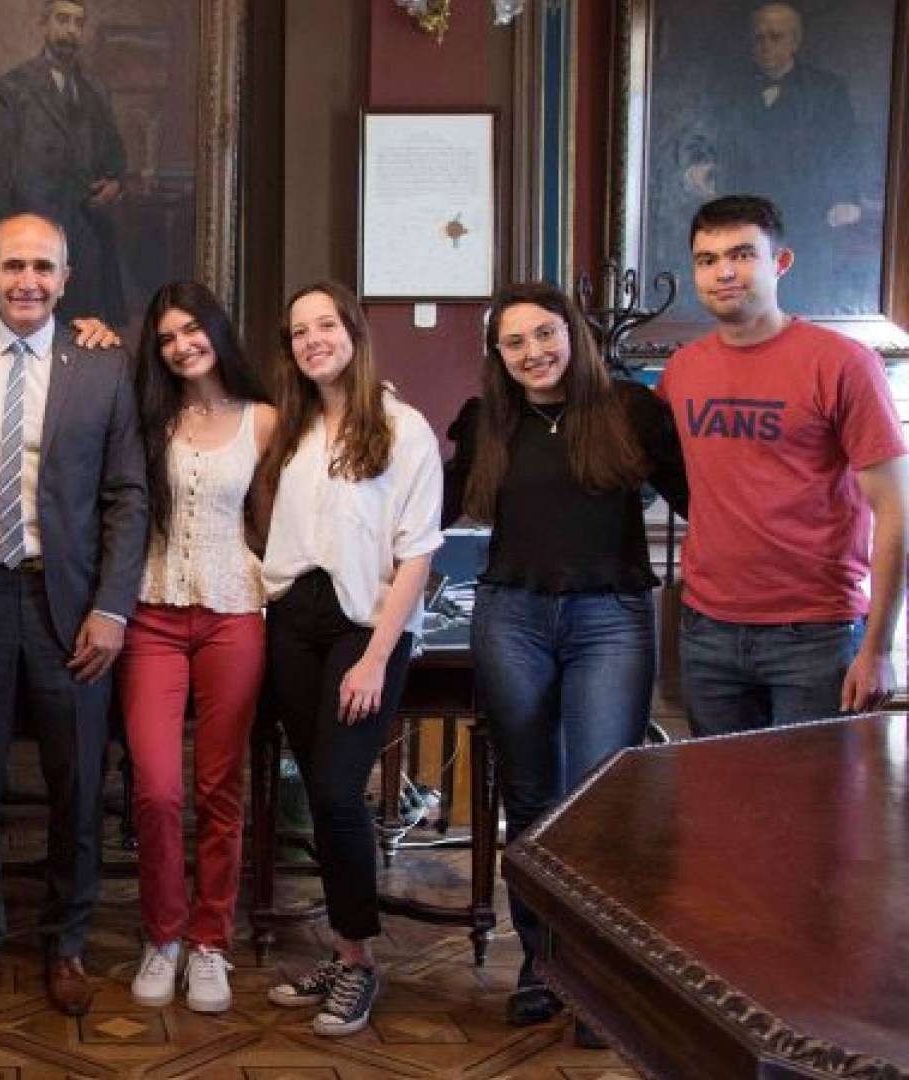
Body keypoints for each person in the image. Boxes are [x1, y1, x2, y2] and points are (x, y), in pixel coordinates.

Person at [0, 212, 147, 1019]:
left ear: (66, 277)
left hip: (70, 603)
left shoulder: (101, 364)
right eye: (13, 266)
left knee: (78, 784)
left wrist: (113, 608)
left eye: (43, 268)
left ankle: (67, 943)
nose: (28, 282)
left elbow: (127, 496)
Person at [445, 282, 688, 1033]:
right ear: (497, 355)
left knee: (598, 801)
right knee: (530, 797)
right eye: (513, 343)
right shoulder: (487, 421)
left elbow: (704, 498)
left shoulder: (631, 410)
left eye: (544, 335)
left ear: (573, 333)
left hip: (610, 617)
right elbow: (425, 507)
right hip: (511, 616)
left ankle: (597, 976)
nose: (532, 353)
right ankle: (542, 961)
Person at [258, 281, 441, 1038]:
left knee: (336, 791)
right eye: (299, 331)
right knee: (319, 791)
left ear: (353, 332)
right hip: (292, 624)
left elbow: (418, 556)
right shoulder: (295, 429)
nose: (312, 340)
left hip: (362, 632)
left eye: (325, 325)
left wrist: (374, 657)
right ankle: (340, 950)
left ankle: (360, 963)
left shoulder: (404, 428)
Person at [657, 195, 907, 735]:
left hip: (815, 633)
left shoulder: (842, 364)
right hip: (709, 629)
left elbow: (896, 510)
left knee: (811, 807)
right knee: (720, 803)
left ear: (781, 263)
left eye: (743, 254)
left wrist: (879, 646)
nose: (723, 272)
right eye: (707, 259)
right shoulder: (682, 370)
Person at [118, 282, 274, 1015]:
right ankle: (163, 935)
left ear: (217, 329)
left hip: (234, 612)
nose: (182, 345)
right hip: (150, 615)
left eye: (192, 331)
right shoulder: (149, 416)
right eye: (168, 337)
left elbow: (282, 520)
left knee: (219, 787)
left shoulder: (264, 420)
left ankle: (210, 943)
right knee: (155, 787)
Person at [676, 4, 873, 313]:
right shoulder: (727, 90)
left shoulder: (826, 90)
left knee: (805, 301)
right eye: (758, 38)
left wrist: (845, 197)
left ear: (795, 41)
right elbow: (701, 136)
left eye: (775, 37)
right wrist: (699, 166)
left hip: (807, 215)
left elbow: (845, 148)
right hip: (742, 214)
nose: (765, 45)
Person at [0, 0, 128, 325]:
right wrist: (3, 249)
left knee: (85, 334)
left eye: (78, 23)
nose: (70, 31)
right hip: (34, 236)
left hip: (86, 234)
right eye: (62, 20)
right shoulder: (13, 88)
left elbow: (116, 158)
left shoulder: (95, 90)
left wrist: (115, 185)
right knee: (34, 331)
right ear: (43, 23)